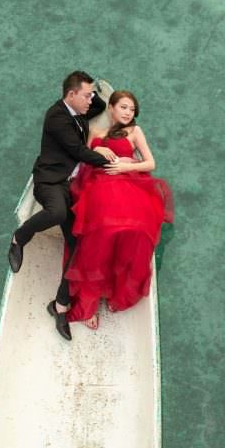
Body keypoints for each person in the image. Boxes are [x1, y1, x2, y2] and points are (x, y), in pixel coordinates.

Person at [8, 71, 119, 341]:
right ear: (70, 95)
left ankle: (59, 305)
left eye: (91, 94)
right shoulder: (56, 118)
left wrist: (91, 94)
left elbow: (100, 106)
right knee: (56, 213)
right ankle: (18, 238)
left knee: (79, 247)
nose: (91, 99)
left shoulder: (78, 109)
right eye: (86, 95)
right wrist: (110, 160)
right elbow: (79, 152)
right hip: (50, 181)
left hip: (70, 186)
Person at [64, 90, 173, 329]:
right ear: (111, 108)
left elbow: (151, 163)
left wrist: (126, 166)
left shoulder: (135, 131)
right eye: (124, 107)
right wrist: (97, 151)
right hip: (99, 184)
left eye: (132, 109)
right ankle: (89, 302)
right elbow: (81, 156)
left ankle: (117, 290)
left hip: (127, 182)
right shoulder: (96, 132)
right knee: (101, 233)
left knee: (135, 231)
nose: (128, 113)